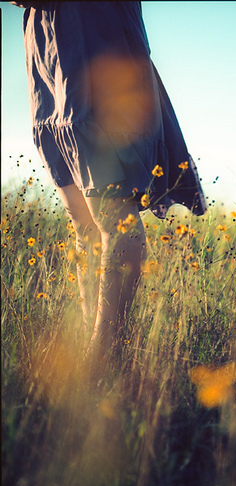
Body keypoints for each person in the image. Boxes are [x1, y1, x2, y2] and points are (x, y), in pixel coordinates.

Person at [13, 1, 206, 376]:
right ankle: (94, 349)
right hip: (47, 40)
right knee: (83, 222)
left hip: (93, 34)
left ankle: (103, 357)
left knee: (111, 217)